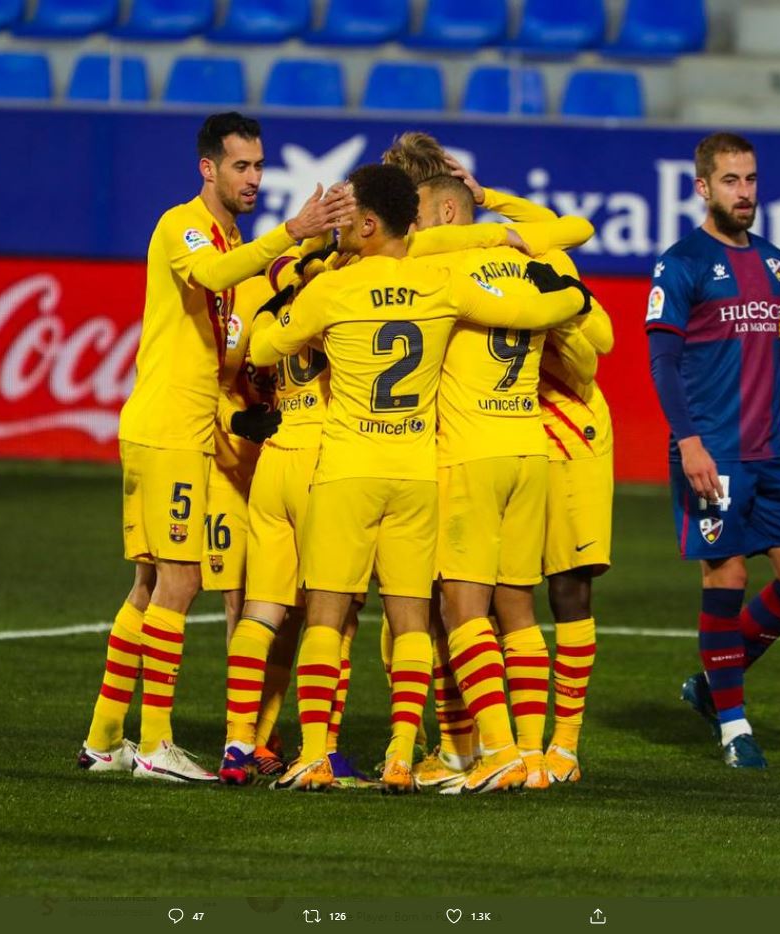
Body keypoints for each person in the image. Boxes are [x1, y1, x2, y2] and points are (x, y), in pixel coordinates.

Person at [248, 163, 591, 793]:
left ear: (370, 224)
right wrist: (570, 294)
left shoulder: (333, 291)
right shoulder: (440, 286)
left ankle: (314, 753)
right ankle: (404, 757)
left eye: (348, 218)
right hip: (417, 474)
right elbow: (528, 308)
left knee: (327, 614)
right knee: (412, 619)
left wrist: (285, 300)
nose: (342, 226)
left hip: (349, 468)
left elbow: (264, 350)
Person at [76, 112, 352, 782]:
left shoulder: (230, 238)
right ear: (208, 168)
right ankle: (156, 745)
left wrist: (241, 411)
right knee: (181, 579)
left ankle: (103, 738)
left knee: (145, 585)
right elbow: (211, 275)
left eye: (259, 166)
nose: (253, 177)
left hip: (183, 427)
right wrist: (292, 233)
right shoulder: (186, 226)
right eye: (241, 166)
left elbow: (220, 347)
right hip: (170, 429)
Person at [382, 131, 610, 791]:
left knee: (464, 606)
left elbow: (594, 355)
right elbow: (597, 336)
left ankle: (499, 749)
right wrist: (547, 289)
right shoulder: (536, 255)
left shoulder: (433, 264)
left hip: (481, 446)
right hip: (526, 442)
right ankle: (527, 755)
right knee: (516, 604)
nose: (406, 225)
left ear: (444, 210)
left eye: (414, 210)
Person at [645, 132, 780, 769]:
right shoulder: (681, 264)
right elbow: (662, 364)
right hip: (713, 454)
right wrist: (689, 443)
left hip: (774, 453)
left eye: (750, 179)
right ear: (702, 187)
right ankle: (733, 728)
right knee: (727, 576)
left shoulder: (776, 265)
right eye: (730, 180)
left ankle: (710, 679)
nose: (744, 192)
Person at [441, 152, 615, 785]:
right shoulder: (455, 257)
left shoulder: (540, 257)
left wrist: (494, 198)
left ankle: (557, 746)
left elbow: (601, 344)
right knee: (484, 593)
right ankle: (482, 745)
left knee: (566, 587)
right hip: (504, 430)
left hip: (568, 429)